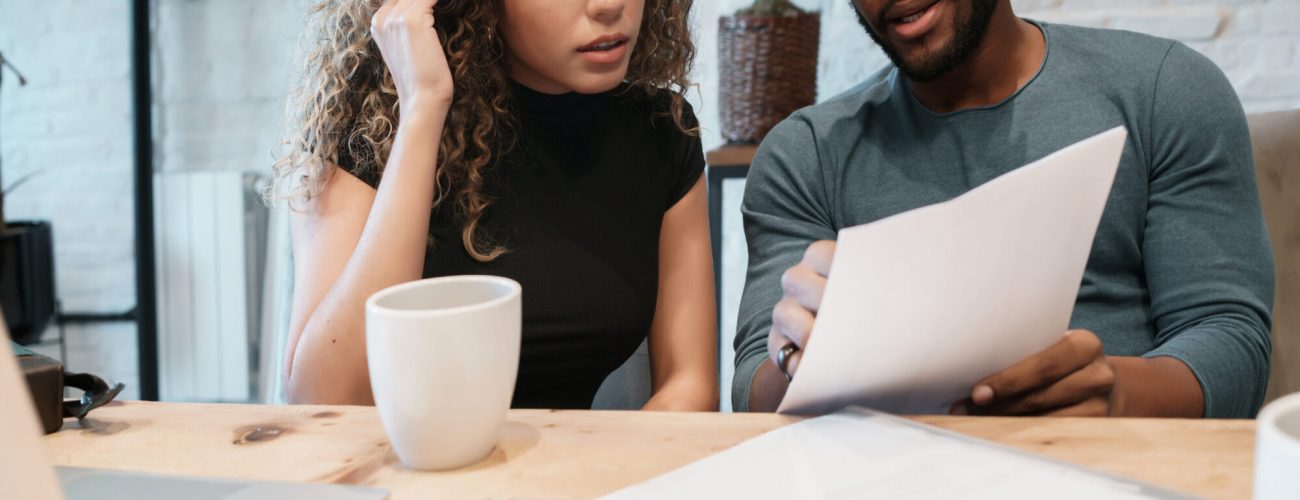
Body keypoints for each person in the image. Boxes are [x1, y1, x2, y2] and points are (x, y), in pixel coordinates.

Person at [733, 0, 1274, 418]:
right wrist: (796, 362)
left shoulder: (1165, 91)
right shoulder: (805, 155)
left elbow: (1228, 338)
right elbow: (752, 386)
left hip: (1119, 467)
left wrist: (1116, 396)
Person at [273, 0, 718, 411]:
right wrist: (423, 106)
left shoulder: (661, 131)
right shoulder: (371, 120)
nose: (608, 6)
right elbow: (326, 397)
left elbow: (690, 382)